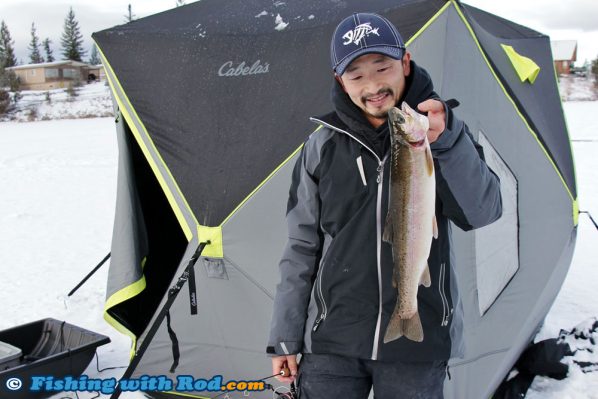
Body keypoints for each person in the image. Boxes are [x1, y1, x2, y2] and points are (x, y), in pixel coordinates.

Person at [266, 12, 502, 399]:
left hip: (419, 344)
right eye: (356, 75)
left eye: (383, 67)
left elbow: (484, 212)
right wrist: (284, 336)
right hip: (331, 341)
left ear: (405, 63)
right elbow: (300, 247)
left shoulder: (439, 134)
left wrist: (447, 143)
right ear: (340, 81)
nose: (373, 85)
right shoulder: (321, 147)